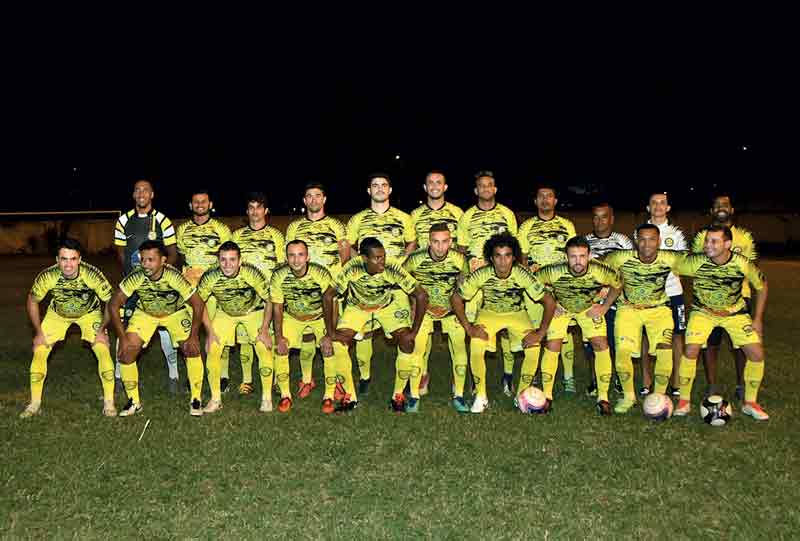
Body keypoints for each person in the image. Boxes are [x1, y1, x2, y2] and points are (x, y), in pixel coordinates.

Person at [451, 233, 556, 414]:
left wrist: (540, 332)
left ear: (514, 257)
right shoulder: (481, 273)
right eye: (498, 256)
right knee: (476, 344)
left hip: (517, 314)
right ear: (491, 258)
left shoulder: (522, 274)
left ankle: (521, 395)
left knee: (534, 347)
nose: (503, 261)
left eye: (507, 255)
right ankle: (481, 396)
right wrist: (469, 327)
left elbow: (549, 301)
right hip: (489, 314)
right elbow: (455, 298)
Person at [675, 225, 769, 420]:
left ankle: (750, 402)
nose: (707, 245)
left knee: (756, 353)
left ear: (728, 244)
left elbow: (762, 285)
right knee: (691, 349)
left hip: (735, 314)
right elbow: (666, 263)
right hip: (703, 312)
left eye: (714, 241)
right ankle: (684, 401)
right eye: (706, 241)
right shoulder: (695, 262)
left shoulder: (742, 263)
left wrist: (758, 318)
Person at [107, 240, 208, 417]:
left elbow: (198, 304)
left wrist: (193, 336)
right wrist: (122, 338)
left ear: (163, 260)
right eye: (143, 259)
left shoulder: (174, 276)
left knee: (191, 349)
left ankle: (196, 399)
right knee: (126, 351)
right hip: (146, 313)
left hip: (174, 313)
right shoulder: (136, 276)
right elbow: (114, 304)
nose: (145, 264)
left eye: (151, 260)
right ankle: (133, 401)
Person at [330, 238, 429, 413]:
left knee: (407, 342)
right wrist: (331, 332)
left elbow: (421, 295)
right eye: (377, 258)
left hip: (387, 307)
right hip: (358, 308)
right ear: (364, 259)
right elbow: (327, 296)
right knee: (338, 344)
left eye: (383, 256)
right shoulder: (352, 268)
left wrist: (414, 331)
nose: (382, 261)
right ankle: (350, 397)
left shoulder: (391, 267)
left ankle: (398, 395)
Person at [20, 239, 116, 418]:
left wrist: (102, 329)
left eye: (73, 259)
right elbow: (32, 301)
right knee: (40, 349)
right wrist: (38, 332)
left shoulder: (92, 274)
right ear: (57, 260)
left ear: (80, 259)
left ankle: (109, 403)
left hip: (89, 313)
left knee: (102, 349)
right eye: (64, 259)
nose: (68, 264)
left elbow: (111, 301)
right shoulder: (48, 276)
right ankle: (34, 404)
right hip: (58, 314)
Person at [345, 174, 416, 395]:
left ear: (390, 190)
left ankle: (401, 388)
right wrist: (361, 266)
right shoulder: (358, 219)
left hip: (395, 289)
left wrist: (401, 264)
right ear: (369, 191)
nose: (379, 189)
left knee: (402, 335)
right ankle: (365, 377)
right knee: (364, 334)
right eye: (375, 185)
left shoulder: (403, 217)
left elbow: (412, 242)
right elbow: (349, 246)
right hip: (367, 289)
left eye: (384, 185)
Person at [535, 237, 622, 415]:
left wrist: (605, 306)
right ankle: (547, 396)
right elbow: (534, 282)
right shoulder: (553, 270)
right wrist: (551, 302)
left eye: (582, 256)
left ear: (589, 255)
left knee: (601, 343)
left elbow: (618, 284)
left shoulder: (601, 270)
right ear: (566, 257)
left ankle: (603, 398)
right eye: (573, 256)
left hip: (587, 308)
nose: (578, 261)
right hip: (562, 308)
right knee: (553, 344)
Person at [602, 224, 684, 413]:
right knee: (623, 352)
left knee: (664, 350)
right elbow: (598, 270)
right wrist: (603, 300)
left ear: (659, 241)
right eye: (643, 239)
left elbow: (700, 266)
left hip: (659, 310)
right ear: (636, 241)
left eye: (652, 239)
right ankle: (629, 396)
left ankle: (659, 396)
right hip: (628, 310)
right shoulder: (619, 258)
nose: (647, 244)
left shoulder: (671, 258)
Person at [113, 179, 180, 393]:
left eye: (146, 190)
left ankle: (174, 377)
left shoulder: (163, 220)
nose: (141, 193)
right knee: (124, 329)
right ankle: (119, 376)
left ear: (152, 195)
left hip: (158, 287)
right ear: (133, 195)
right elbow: (121, 253)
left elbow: (172, 252)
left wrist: (160, 276)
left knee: (166, 330)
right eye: (137, 190)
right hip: (133, 287)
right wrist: (131, 275)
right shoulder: (123, 221)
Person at [456, 170, 519, 396]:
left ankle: (508, 376)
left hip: (502, 279)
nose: (485, 188)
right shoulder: (467, 216)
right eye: (481, 185)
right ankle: (476, 379)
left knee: (505, 328)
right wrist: (464, 272)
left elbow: (516, 248)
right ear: (476, 191)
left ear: (495, 189)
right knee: (475, 328)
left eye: (489, 185)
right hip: (476, 281)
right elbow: (461, 250)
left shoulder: (507, 214)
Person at [691, 195, 757, 399]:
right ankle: (712, 385)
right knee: (711, 343)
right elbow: (695, 266)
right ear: (712, 211)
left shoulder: (745, 237)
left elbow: (752, 269)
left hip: (739, 298)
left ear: (732, 209)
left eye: (725, 205)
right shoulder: (702, 236)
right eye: (717, 205)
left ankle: (741, 384)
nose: (721, 208)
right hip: (708, 301)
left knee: (740, 344)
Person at [197, 241, 274, 414]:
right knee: (213, 349)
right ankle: (216, 398)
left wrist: (264, 329)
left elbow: (269, 299)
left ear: (240, 261)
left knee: (263, 347)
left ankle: (267, 397)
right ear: (218, 260)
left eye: (232, 260)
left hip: (252, 312)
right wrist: (209, 333)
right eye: (223, 260)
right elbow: (199, 303)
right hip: (226, 313)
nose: (227, 264)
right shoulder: (210, 276)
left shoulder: (251, 273)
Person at [284, 183, 347, 396]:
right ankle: (307, 379)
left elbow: (344, 255)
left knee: (334, 336)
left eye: (317, 196)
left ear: (324, 199)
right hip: (305, 290)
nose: (313, 200)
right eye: (309, 196)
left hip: (330, 291)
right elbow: (290, 257)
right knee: (308, 337)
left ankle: (337, 382)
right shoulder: (294, 227)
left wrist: (337, 281)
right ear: (304, 201)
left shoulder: (336, 226)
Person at [403, 223, 470, 412]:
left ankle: (459, 394)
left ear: (451, 242)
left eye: (444, 242)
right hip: (425, 312)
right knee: (418, 350)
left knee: (459, 349)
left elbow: (464, 284)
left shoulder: (459, 259)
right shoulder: (415, 259)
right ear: (428, 242)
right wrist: (413, 304)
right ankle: (414, 395)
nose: (440, 247)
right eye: (435, 242)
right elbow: (402, 280)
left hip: (450, 311)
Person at [518, 185, 578, 394]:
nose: (545, 200)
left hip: (561, 290)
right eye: (541, 197)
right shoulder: (526, 227)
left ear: (555, 201)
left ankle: (568, 376)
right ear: (535, 201)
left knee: (564, 332)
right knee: (537, 331)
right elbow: (522, 261)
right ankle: (534, 376)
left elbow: (574, 257)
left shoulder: (566, 226)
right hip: (535, 292)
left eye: (549, 196)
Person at [409, 171, 463, 395]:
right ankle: (422, 374)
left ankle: (458, 378)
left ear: (445, 186)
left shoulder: (457, 213)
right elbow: (411, 247)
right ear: (425, 186)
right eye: (430, 182)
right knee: (423, 330)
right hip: (424, 279)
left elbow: (462, 247)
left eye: (438, 182)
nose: (434, 186)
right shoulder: (414, 215)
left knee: (457, 338)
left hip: (448, 278)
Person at [271, 240, 339, 413]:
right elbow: (277, 307)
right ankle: (285, 395)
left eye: (300, 255)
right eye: (292, 255)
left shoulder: (321, 274)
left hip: (319, 317)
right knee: (281, 348)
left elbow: (333, 303)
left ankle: (329, 396)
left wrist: (330, 334)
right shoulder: (279, 275)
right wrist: (279, 336)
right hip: (293, 317)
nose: (296, 260)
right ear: (286, 258)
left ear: (308, 256)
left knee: (328, 348)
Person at [176, 189, 232, 391]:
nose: (200, 205)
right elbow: (181, 257)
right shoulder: (182, 230)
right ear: (191, 206)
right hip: (190, 291)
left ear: (210, 204)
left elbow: (228, 258)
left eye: (203, 201)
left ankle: (222, 375)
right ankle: (194, 375)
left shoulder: (221, 229)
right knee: (191, 333)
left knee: (216, 333)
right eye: (196, 202)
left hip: (215, 289)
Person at [231, 192, 285, 396]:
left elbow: (281, 266)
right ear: (247, 211)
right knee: (245, 338)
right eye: (251, 207)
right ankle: (247, 381)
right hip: (246, 296)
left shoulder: (276, 236)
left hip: (271, 295)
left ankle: (278, 380)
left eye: (259, 207)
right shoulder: (237, 236)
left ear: (266, 211)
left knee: (272, 337)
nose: (255, 212)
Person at [640, 192, 687, 397]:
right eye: (654, 203)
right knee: (645, 336)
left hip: (672, 292)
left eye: (662, 203)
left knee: (676, 335)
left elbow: (682, 265)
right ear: (648, 208)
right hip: (647, 294)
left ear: (668, 208)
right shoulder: (640, 231)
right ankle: (646, 378)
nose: (658, 206)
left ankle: (676, 380)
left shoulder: (676, 234)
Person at [585, 203, 634, 396]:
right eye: (596, 217)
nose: (599, 221)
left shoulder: (623, 241)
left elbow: (630, 270)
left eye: (604, 217)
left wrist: (611, 290)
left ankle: (618, 379)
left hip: (617, 300)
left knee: (616, 344)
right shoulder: (585, 241)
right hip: (592, 301)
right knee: (592, 343)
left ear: (611, 219)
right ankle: (595, 380)